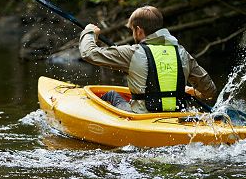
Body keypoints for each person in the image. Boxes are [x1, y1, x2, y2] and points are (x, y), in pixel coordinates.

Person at [79, 6, 217, 113]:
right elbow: (209, 91)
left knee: (112, 95)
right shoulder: (182, 53)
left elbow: (89, 53)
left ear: (139, 30)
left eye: (132, 30)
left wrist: (89, 32)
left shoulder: (132, 53)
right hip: (177, 116)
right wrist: (194, 91)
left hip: (143, 117)